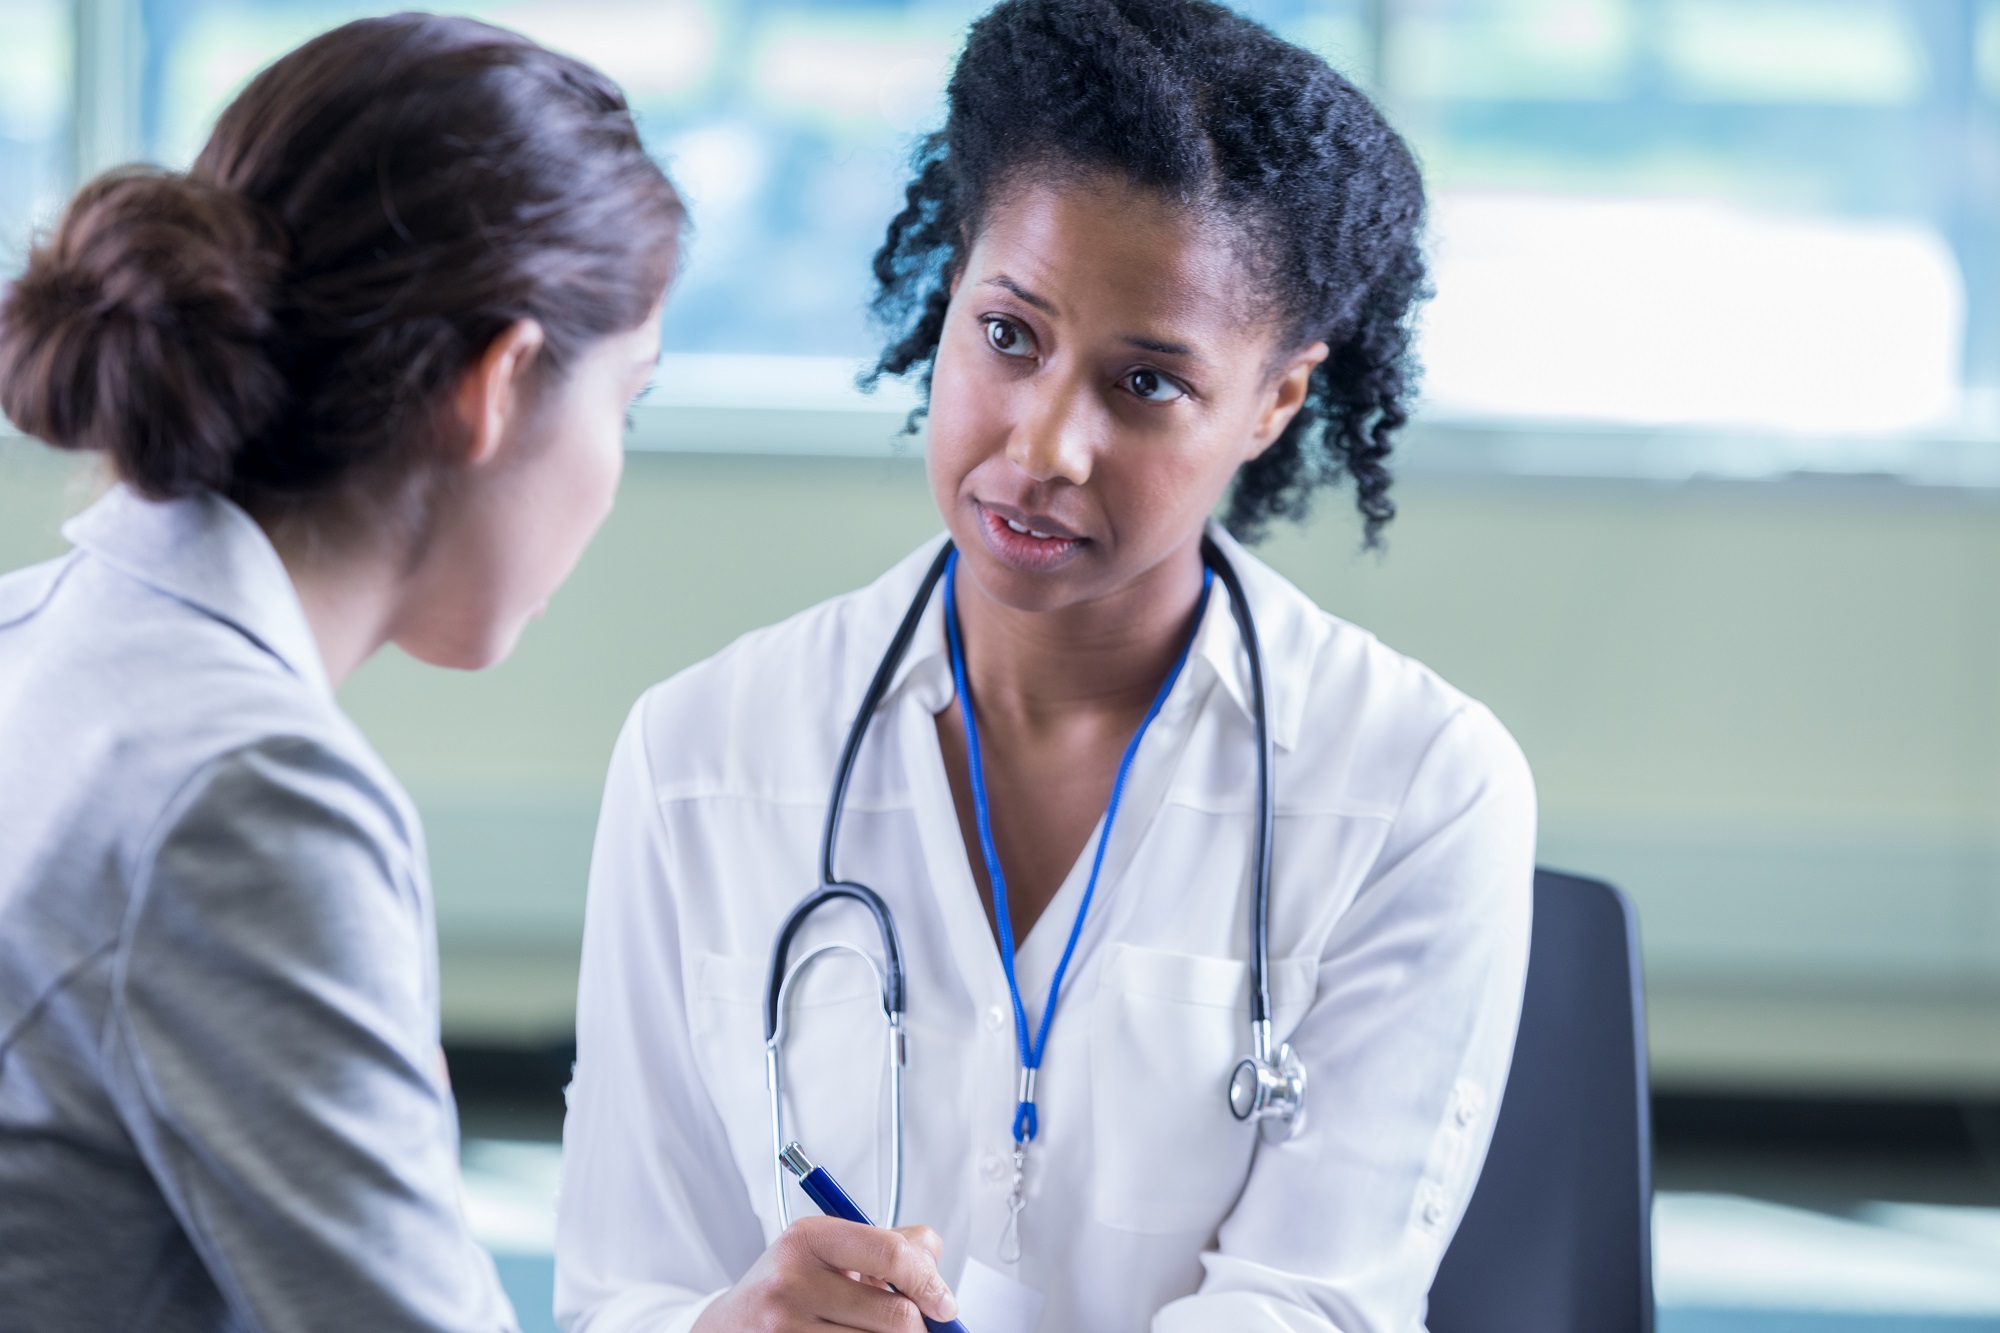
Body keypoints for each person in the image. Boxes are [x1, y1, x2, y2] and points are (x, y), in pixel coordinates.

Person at [555, 1, 1533, 1329]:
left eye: (1147, 385)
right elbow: (624, 1289)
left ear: (1278, 399)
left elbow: (1314, 1302)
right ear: (951, 289)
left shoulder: (1419, 783)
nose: (1046, 445)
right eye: (1009, 335)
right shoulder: (701, 753)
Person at [0, 15, 682, 1332]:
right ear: (502, 381)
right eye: (628, 401)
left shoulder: (34, 633)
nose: (614, 464)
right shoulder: (252, 794)